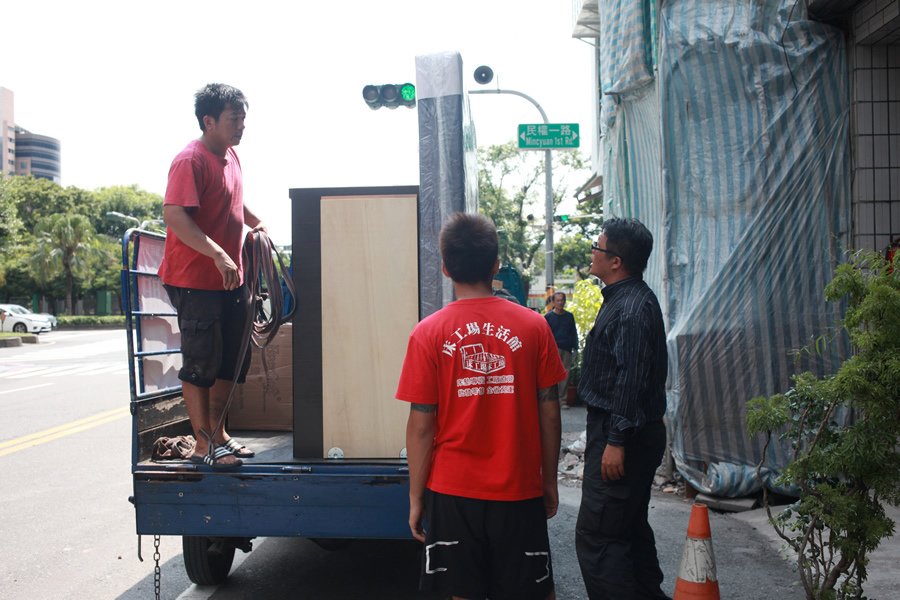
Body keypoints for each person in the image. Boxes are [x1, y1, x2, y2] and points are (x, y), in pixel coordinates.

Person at [397, 212, 567, 600]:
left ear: (444, 267)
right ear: (496, 265)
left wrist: (416, 496)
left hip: (453, 491)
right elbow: (550, 412)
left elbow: (421, 425)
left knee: (461, 592)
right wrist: (549, 481)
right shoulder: (534, 327)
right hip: (518, 488)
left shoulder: (427, 334)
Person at [158, 83, 265, 470]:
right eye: (234, 119)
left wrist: (257, 224)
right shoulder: (190, 160)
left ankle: (219, 433)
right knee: (201, 362)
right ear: (209, 121)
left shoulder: (231, 156)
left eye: (243, 118)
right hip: (195, 278)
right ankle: (204, 445)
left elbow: (232, 199)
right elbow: (175, 215)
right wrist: (219, 253)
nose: (241, 126)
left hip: (230, 279)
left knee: (231, 359)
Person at [575, 218, 670, 600]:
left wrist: (616, 440)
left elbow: (630, 380)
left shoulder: (630, 308)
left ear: (615, 261)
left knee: (599, 536)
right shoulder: (628, 299)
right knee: (628, 528)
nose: (592, 253)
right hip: (626, 431)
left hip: (621, 434)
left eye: (597, 248)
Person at [544, 292, 578, 406]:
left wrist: (575, 348)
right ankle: (552, 399)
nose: (560, 302)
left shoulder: (569, 316)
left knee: (565, 374)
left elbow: (574, 332)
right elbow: (545, 334)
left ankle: (562, 400)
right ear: (553, 302)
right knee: (552, 374)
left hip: (567, 349)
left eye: (562, 300)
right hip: (553, 349)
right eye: (558, 300)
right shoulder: (548, 317)